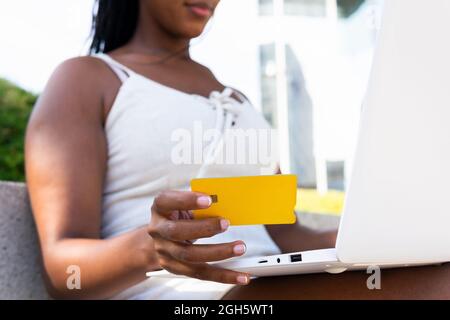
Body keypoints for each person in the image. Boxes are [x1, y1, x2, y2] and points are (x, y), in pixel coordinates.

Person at [25, 0, 336, 299]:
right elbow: (63, 274)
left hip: (268, 286)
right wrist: (150, 248)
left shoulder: (239, 101)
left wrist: (357, 236)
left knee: (384, 280)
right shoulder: (89, 79)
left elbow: (286, 233)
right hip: (178, 294)